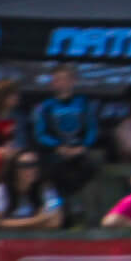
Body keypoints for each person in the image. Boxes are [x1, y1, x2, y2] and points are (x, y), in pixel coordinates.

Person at [31, 65, 101, 212]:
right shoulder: (46, 106)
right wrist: (58, 147)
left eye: (65, 79)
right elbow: (40, 133)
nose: (62, 83)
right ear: (52, 83)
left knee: (90, 165)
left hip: (80, 150)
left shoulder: (83, 103)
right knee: (53, 168)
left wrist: (82, 146)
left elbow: (92, 128)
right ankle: (61, 206)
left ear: (73, 81)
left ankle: (81, 205)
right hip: (56, 151)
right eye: (57, 80)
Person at [0, 149, 64, 230]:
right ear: (14, 169)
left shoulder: (46, 189)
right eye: (25, 165)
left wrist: (11, 223)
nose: (31, 169)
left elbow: (56, 221)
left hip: (39, 241)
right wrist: (39, 220)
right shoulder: (0, 190)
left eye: (34, 164)